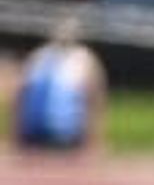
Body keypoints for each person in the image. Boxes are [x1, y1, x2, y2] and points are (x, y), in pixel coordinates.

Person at [7, 14, 106, 153]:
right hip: (32, 133)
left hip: (65, 135)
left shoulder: (84, 59)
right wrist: (14, 131)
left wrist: (94, 139)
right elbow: (20, 96)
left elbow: (94, 101)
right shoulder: (38, 56)